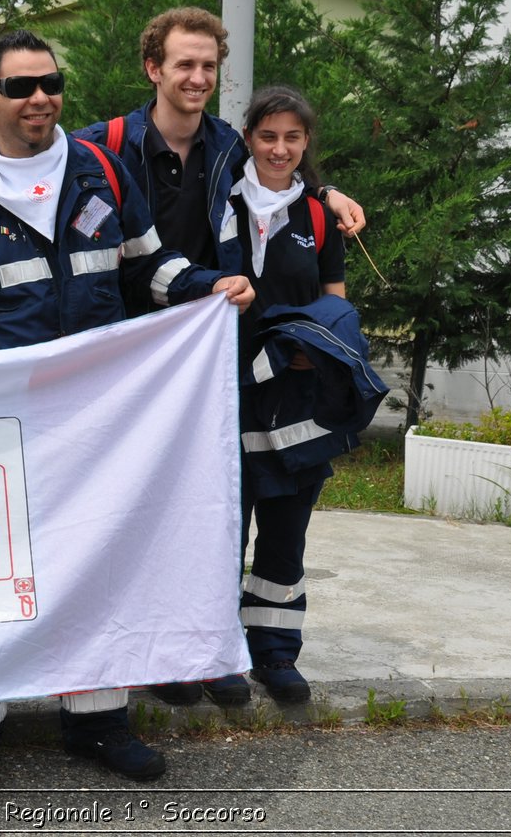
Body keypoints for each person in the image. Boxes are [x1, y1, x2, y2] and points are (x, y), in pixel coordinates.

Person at [0, 6, 366, 707]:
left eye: (209, 66)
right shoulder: (101, 149)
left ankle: (199, 648)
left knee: (197, 508)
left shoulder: (232, 147)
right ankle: (135, 657)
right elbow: (26, 160)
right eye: (184, 64)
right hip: (114, 364)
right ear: (154, 69)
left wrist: (326, 191)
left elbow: (282, 168)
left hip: (198, 361)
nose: (198, 77)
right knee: (120, 516)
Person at [0, 30, 253, 790]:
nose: (40, 98)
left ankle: (97, 718)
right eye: (21, 87)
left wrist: (207, 287)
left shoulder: (101, 170)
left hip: (98, 417)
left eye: (51, 82)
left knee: (97, 560)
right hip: (0, 417)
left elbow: (150, 264)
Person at [229, 85, 381, 704]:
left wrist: (314, 346)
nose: (280, 148)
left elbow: (334, 301)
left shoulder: (319, 217)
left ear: (306, 144)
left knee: (285, 534)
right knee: (219, 532)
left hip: (295, 402)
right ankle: (213, 654)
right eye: (268, 136)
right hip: (227, 393)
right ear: (247, 140)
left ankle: (274, 653)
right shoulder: (221, 201)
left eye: (293, 137)